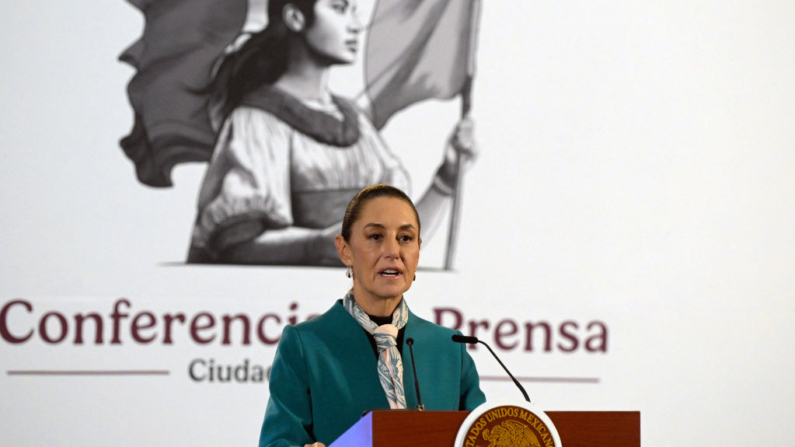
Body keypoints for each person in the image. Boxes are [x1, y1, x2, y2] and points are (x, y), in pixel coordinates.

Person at [187, 0, 476, 265]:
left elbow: (397, 245)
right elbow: (237, 245)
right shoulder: (257, 121)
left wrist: (446, 179)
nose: (354, 25)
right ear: (296, 17)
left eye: (353, 11)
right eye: (339, 9)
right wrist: (320, 245)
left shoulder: (357, 123)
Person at [258, 185, 486, 447]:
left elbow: (482, 436)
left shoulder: (449, 348)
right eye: (376, 236)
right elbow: (277, 442)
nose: (393, 251)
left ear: (418, 250)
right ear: (344, 250)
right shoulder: (306, 345)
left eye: (405, 238)